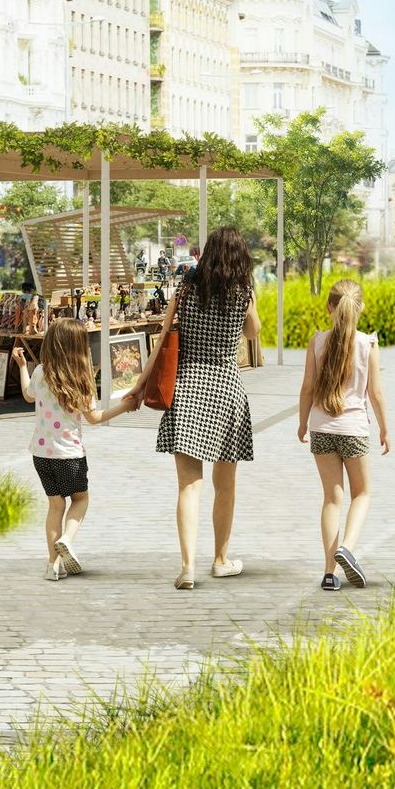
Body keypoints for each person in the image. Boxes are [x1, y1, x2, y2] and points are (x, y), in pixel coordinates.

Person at [157, 227, 266, 589]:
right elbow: (254, 333)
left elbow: (163, 335)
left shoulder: (186, 287)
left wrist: (142, 383)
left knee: (189, 487)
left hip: (187, 387)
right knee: (225, 486)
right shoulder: (243, 291)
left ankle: (188, 567)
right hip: (226, 391)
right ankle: (220, 560)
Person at [297, 279, 386, 591]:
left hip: (321, 427)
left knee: (332, 499)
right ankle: (347, 546)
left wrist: (302, 422)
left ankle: (330, 574)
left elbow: (307, 387)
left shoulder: (317, 341)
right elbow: (374, 393)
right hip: (354, 429)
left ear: (328, 307)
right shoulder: (368, 344)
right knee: (362, 493)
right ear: (360, 307)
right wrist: (385, 428)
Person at [27, 317, 103, 582]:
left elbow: (28, 395)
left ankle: (52, 566)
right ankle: (68, 540)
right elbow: (94, 418)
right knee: (81, 499)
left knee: (55, 506)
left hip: (41, 454)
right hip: (69, 455)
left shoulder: (39, 372)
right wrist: (125, 407)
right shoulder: (80, 378)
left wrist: (19, 366)